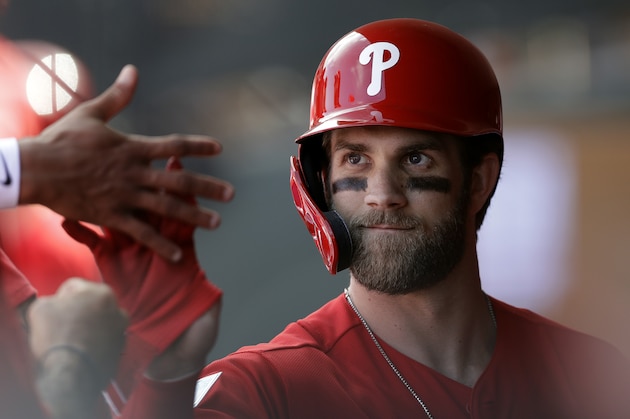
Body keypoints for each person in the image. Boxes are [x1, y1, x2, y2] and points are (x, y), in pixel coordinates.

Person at [64, 17, 630, 419]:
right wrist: (166, 373)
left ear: (478, 180)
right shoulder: (264, 389)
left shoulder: (589, 373)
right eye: (355, 158)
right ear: (320, 182)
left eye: (415, 158)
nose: (382, 194)